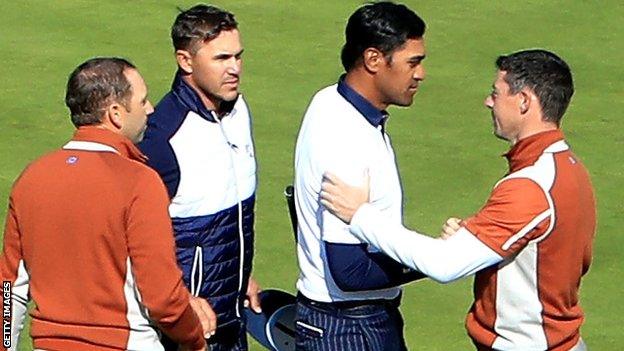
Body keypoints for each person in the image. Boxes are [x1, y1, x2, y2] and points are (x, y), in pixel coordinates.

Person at [321, 49, 596, 351]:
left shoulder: (530, 187)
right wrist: (473, 234)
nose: (488, 101)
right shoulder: (569, 169)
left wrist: (361, 215)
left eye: (496, 93)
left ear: (524, 101)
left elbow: (443, 265)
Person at [0, 57, 216, 351]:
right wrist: (195, 341)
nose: (150, 109)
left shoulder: (31, 179)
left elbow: (8, 290)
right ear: (116, 114)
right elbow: (164, 298)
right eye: (142, 101)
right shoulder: (140, 182)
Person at [293, 2, 429, 350]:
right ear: (373, 60)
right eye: (412, 62)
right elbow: (350, 270)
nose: (421, 74)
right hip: (351, 329)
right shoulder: (347, 138)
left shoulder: (328, 101)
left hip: (338, 321)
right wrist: (432, 258)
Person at [138, 4, 260, 350]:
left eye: (238, 56)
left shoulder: (238, 111)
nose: (234, 68)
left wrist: (239, 273)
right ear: (186, 61)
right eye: (221, 58)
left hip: (233, 316)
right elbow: (133, 238)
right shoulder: (163, 137)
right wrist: (181, 299)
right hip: (187, 331)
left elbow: (229, 214)